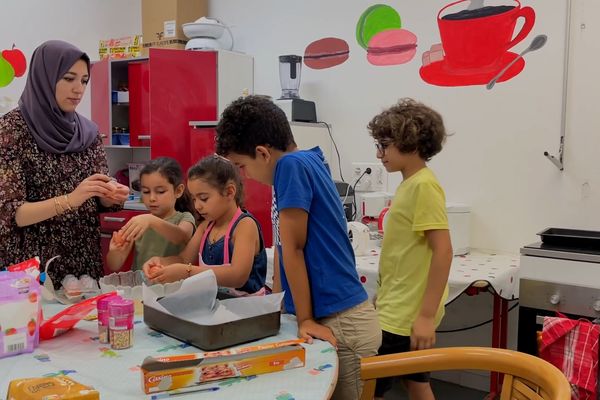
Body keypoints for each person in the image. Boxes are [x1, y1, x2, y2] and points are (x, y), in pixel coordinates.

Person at [214, 95, 381, 400]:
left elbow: (294, 249)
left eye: (242, 166)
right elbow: (281, 247)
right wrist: (281, 303)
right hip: (337, 315)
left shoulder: (290, 167)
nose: (243, 176)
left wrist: (304, 319)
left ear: (263, 153)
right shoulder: (309, 159)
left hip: (341, 321)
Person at [0, 40, 129, 287]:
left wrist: (109, 195)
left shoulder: (88, 132)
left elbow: (99, 192)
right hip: (32, 269)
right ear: (45, 78)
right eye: (69, 78)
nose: (78, 89)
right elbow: (13, 213)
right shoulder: (10, 130)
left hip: (83, 264)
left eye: (83, 81)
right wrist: (71, 199)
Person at [368, 98, 453, 400]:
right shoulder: (409, 184)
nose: (379, 154)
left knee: (369, 385)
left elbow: (443, 252)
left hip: (404, 314)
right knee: (415, 382)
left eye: (385, 145)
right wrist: (384, 292)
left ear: (410, 142)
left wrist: (426, 317)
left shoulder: (423, 186)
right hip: (397, 303)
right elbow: (404, 253)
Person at [143, 155, 267, 296]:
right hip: (216, 306)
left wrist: (187, 272)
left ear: (229, 192)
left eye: (203, 198)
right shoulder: (206, 227)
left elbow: (237, 276)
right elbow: (184, 259)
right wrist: (161, 262)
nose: (197, 206)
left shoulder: (245, 225)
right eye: (194, 199)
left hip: (249, 310)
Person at [106, 157, 197, 272]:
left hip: (174, 288)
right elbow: (114, 265)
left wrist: (151, 221)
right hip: (142, 287)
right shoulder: (140, 223)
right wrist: (116, 251)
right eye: (146, 192)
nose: (152, 198)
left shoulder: (184, 218)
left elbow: (181, 236)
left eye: (160, 191)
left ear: (178, 191)